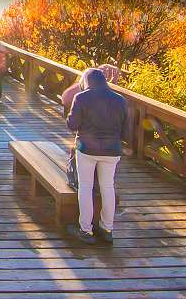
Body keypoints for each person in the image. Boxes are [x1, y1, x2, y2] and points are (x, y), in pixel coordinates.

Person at [66, 68, 130, 245]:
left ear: (86, 81)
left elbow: (72, 124)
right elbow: (126, 131)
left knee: (85, 187)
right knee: (107, 187)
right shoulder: (120, 100)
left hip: (87, 149)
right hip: (112, 150)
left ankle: (85, 230)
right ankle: (107, 228)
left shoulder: (81, 97)